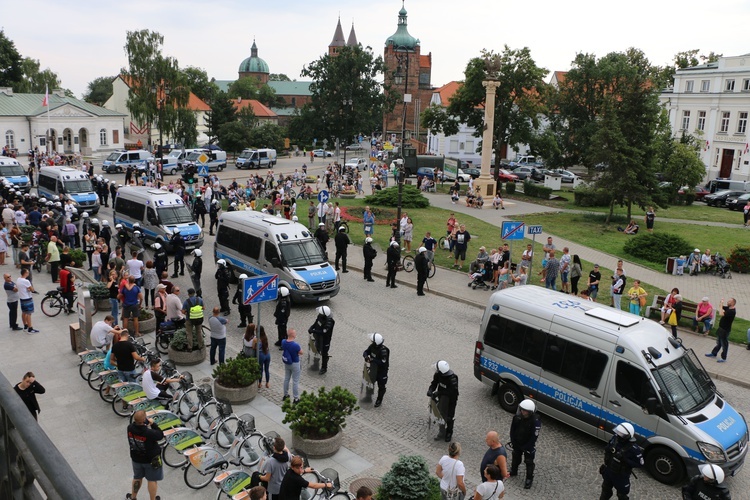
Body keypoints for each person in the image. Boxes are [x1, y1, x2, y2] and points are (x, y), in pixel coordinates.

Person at [126, 410, 165, 500]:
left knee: (137, 477)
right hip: (151, 460)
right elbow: (160, 435)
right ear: (144, 419)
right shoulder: (149, 433)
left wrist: (143, 423)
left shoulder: (129, 428)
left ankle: (133, 497)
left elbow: (138, 428)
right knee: (152, 480)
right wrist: (153, 424)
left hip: (136, 458)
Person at [598, 422, 643, 500]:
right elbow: (608, 448)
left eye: (622, 434)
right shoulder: (615, 439)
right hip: (609, 471)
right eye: (618, 433)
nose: (619, 435)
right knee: (605, 490)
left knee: (622, 496)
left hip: (621, 476)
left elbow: (640, 464)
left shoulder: (634, 449)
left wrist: (625, 460)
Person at [509, 399, 542, 489]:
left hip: (528, 445)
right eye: (521, 409)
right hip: (517, 442)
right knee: (516, 457)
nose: (522, 411)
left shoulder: (535, 420)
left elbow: (534, 437)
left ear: (530, 412)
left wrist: (527, 447)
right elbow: (512, 430)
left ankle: (529, 478)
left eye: (524, 410)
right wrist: (513, 441)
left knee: (529, 462)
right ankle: (514, 470)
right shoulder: (517, 417)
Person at [428, 360, 459, 442]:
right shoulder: (438, 375)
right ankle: (442, 432)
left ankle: (449, 432)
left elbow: (452, 392)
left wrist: (438, 393)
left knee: (449, 416)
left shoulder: (453, 379)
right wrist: (431, 390)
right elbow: (434, 383)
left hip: (451, 399)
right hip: (442, 397)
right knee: (440, 415)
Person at [258, 436, 292, 500]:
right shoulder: (287, 456)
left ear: (274, 447)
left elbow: (267, 478)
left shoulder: (270, 461)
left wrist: (259, 476)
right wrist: (286, 449)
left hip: (274, 489)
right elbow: (292, 458)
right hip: (284, 486)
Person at [363, 333, 390, 407]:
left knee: (381, 386)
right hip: (373, 370)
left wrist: (372, 360)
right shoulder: (372, 347)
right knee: (369, 383)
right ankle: (368, 397)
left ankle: (379, 400)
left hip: (382, 372)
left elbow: (382, 362)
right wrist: (366, 356)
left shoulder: (384, 351)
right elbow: (366, 352)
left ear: (376, 343)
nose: (371, 342)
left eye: (372, 341)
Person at [706, 298, 737, 363]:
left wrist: (722, 304)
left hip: (725, 330)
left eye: (729, 301)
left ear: (733, 303)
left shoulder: (731, 311)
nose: (728, 302)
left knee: (724, 344)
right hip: (721, 328)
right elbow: (721, 307)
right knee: (719, 342)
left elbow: (721, 313)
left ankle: (724, 357)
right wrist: (721, 302)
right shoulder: (729, 308)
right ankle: (714, 353)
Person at [309, 305, 334, 375]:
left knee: (324, 353)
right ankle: (315, 364)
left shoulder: (329, 322)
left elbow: (324, 332)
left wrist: (314, 331)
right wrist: (312, 327)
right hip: (318, 337)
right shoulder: (320, 316)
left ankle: (324, 368)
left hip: (325, 340)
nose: (319, 314)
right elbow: (316, 322)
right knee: (317, 350)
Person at [281, 328, 302, 404]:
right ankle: (296, 398)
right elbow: (301, 352)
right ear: (293, 335)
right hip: (295, 363)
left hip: (287, 363)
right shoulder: (295, 345)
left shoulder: (283, 342)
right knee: (295, 381)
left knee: (286, 378)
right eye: (295, 333)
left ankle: (285, 394)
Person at [17, 269, 37, 333]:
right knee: (29, 313)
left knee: (24, 312)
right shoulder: (26, 281)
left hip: (21, 298)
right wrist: (30, 289)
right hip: (27, 298)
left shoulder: (18, 279)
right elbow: (32, 290)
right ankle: (30, 327)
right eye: (27, 272)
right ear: (25, 273)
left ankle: (25, 325)